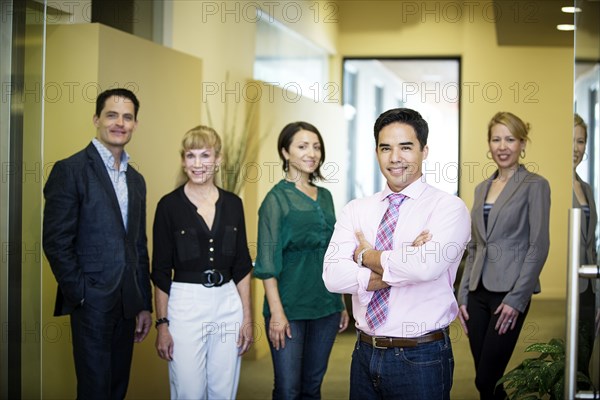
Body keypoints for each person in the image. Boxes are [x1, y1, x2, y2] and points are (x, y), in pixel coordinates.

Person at [323, 108, 471, 400]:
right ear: (376, 151)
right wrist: (403, 259)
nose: (395, 158)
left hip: (421, 357)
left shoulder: (448, 208)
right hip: (364, 352)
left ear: (424, 151)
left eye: (406, 147)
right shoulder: (356, 209)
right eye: (385, 148)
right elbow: (332, 276)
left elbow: (425, 269)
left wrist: (364, 254)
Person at [43, 88, 152, 400]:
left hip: (127, 303)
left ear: (135, 124)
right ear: (96, 119)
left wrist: (144, 302)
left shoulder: (136, 179)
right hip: (91, 301)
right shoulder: (71, 170)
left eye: (128, 117)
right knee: (94, 391)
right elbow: (56, 241)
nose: (120, 123)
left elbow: (138, 245)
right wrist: (81, 294)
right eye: (112, 115)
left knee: (117, 388)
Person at [151, 125, 253, 400]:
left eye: (205, 155)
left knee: (223, 389)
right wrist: (162, 324)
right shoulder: (168, 206)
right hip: (184, 304)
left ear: (217, 160)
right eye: (190, 156)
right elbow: (159, 271)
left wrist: (247, 317)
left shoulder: (233, 204)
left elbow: (242, 265)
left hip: (227, 303)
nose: (197, 164)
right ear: (183, 160)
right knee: (189, 390)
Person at [457, 111, 551, 400]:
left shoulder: (535, 185)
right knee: (486, 381)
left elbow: (539, 245)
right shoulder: (481, 188)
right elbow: (474, 246)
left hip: (507, 296)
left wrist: (517, 298)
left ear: (523, 143)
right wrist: (461, 295)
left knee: (488, 378)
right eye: (496, 139)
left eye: (510, 139)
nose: (502, 146)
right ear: (489, 144)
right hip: (476, 294)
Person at [254, 121, 349, 399]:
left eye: (316, 146)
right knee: (287, 389)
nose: (312, 153)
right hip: (289, 308)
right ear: (285, 152)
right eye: (302, 146)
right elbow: (267, 262)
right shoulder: (275, 200)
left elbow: (334, 253)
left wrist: (340, 302)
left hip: (326, 306)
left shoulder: (327, 197)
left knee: (312, 388)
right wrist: (277, 314)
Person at [573, 113, 597, 383]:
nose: (575, 148)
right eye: (569, 140)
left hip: (589, 287)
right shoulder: (549, 186)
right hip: (569, 287)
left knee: (585, 360)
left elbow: (591, 244)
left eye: (580, 141)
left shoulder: (588, 188)